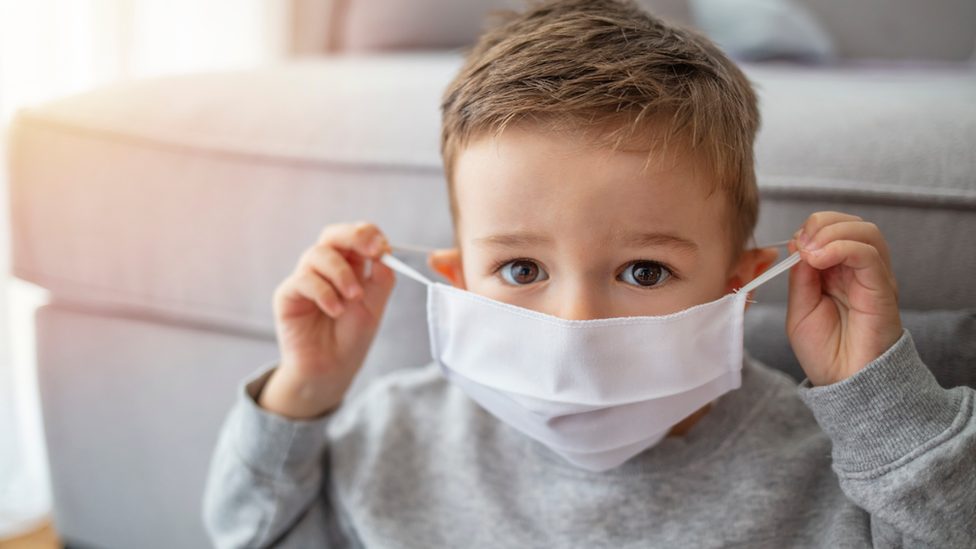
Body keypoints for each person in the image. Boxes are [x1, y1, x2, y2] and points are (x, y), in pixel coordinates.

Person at [202, 1, 976, 546]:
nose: (575, 322)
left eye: (644, 269)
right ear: (456, 278)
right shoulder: (396, 434)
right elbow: (253, 535)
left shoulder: (828, 461)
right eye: (520, 266)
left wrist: (878, 395)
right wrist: (301, 395)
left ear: (738, 284)